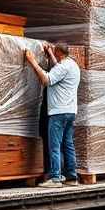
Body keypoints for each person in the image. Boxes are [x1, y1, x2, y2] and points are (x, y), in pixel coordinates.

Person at [25, 42, 81, 188]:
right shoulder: (72, 65)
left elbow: (46, 79)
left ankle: (55, 178)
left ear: (59, 53)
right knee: (68, 144)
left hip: (58, 112)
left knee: (54, 145)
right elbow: (58, 68)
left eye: (55, 53)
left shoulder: (63, 67)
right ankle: (71, 176)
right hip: (70, 111)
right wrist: (50, 53)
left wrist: (32, 61)